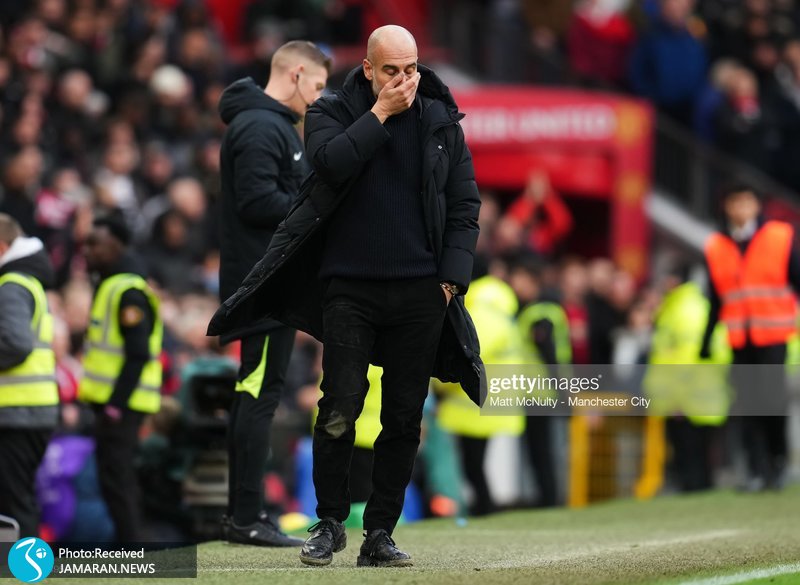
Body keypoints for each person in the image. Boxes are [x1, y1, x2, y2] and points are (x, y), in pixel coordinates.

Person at [207, 24, 483, 568]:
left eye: (412, 69)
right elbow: (329, 165)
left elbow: (464, 204)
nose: (404, 80)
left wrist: (451, 280)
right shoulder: (331, 110)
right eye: (391, 71)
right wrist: (379, 114)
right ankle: (330, 522)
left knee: (403, 418)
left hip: (421, 291)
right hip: (350, 287)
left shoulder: (439, 118)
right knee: (338, 407)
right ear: (368, 68)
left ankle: (379, 533)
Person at [217, 40, 330, 547]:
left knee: (255, 393)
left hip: (269, 281)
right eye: (318, 86)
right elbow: (257, 200)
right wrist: (315, 205)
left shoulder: (271, 124)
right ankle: (247, 516)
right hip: (263, 285)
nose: (319, 98)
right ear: (296, 73)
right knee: (257, 395)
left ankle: (243, 514)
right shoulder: (262, 126)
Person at [700, 184, 800, 491]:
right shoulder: (716, 245)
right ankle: (756, 470)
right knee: (746, 404)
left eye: (746, 201)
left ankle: (777, 461)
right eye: (735, 202)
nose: (741, 208)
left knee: (772, 401)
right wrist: (705, 339)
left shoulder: (780, 237)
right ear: (726, 206)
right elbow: (716, 298)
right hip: (739, 339)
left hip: (773, 336)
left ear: (757, 205)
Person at [78, 216, 163, 542]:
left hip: (122, 404)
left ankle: (132, 548)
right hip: (114, 403)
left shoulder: (128, 292)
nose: (87, 250)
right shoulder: (111, 285)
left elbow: (138, 354)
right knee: (113, 478)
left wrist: (115, 405)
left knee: (118, 479)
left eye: (95, 243)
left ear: (116, 246)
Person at [0, 214, 58, 538]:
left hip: (17, 413)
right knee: (17, 500)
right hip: (28, 411)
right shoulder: (25, 282)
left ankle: (25, 566)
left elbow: (15, 345)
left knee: (14, 504)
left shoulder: (10, 286)